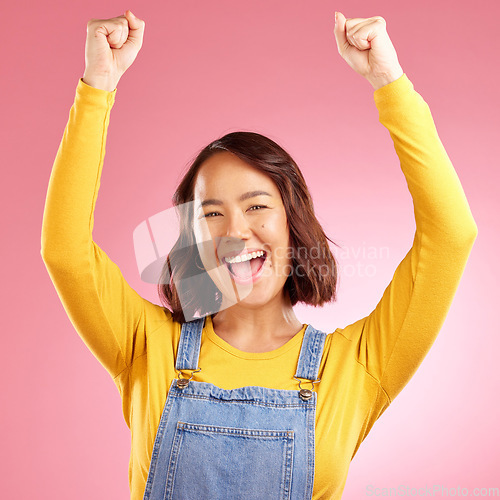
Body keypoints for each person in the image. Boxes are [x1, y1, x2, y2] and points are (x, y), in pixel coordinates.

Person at [40, 9, 478, 500]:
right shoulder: (146, 346)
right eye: (211, 214)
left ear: (293, 223)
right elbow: (64, 250)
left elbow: (451, 236)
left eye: (257, 206)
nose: (235, 232)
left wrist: (388, 82)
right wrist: (97, 86)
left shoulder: (356, 366)